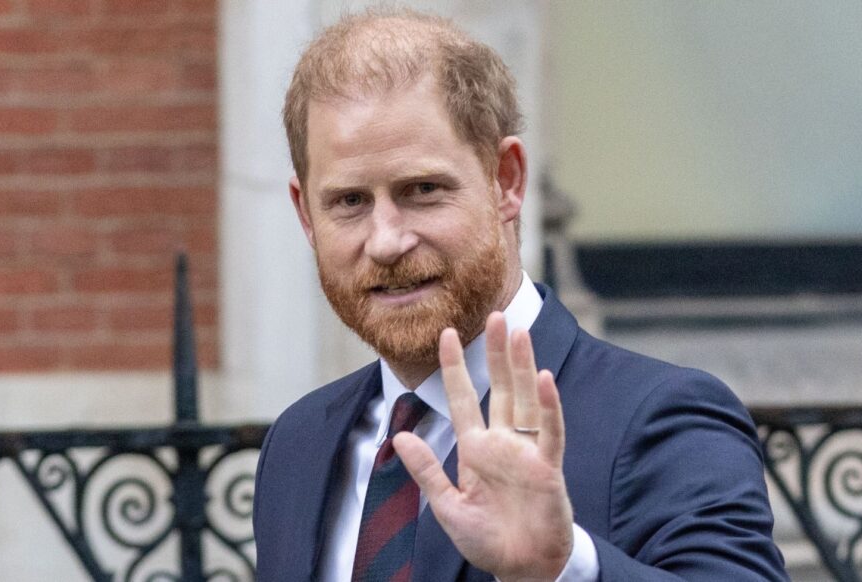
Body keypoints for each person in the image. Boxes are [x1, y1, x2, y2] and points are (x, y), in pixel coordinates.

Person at [253, 9, 788, 582]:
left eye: (423, 190)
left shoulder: (661, 418)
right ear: (306, 215)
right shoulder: (298, 444)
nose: (386, 241)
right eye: (350, 202)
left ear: (506, 181)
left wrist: (562, 568)